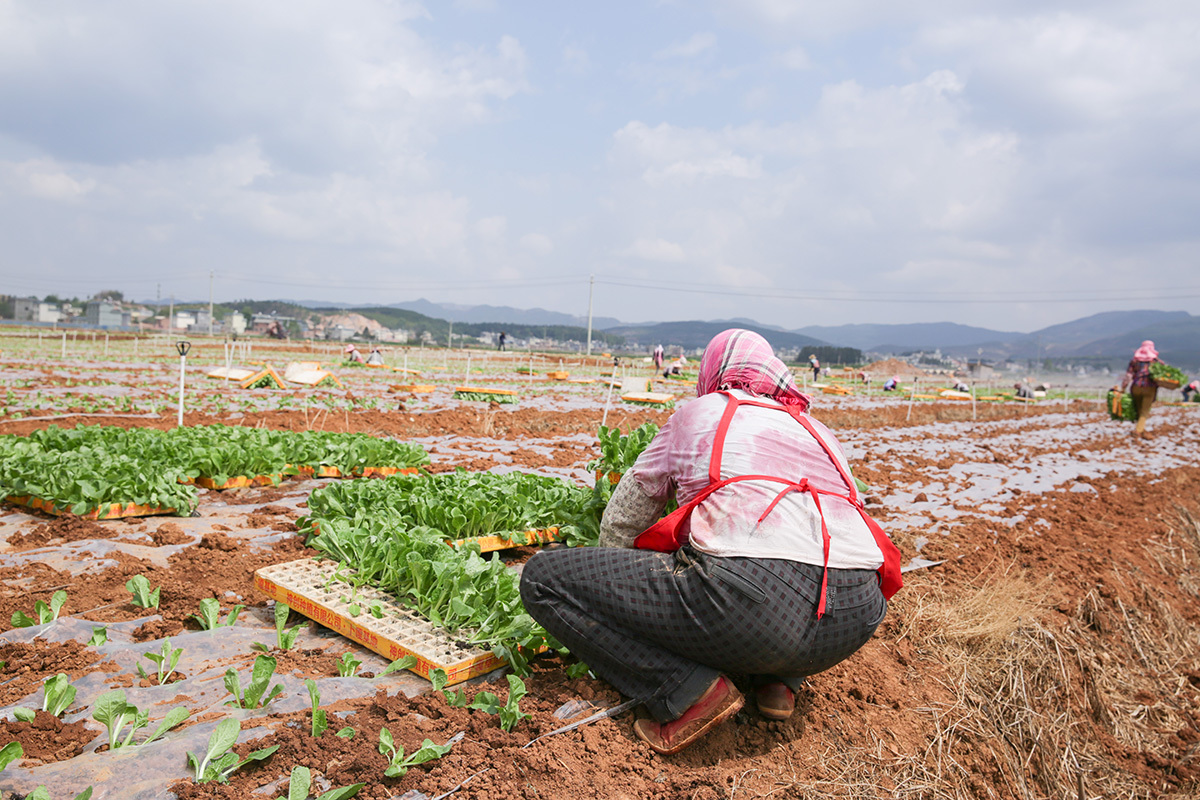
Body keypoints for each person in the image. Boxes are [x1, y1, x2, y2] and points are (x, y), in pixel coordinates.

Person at [520, 329, 902, 755]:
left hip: (754, 605)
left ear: (713, 372)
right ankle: (780, 682)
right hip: (855, 616)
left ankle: (685, 691)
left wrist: (617, 605)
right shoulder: (818, 432)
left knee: (541, 578)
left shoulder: (701, 414)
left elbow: (625, 516)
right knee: (791, 589)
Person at [1119, 340, 1164, 439]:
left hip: (1136, 387)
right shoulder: (1155, 361)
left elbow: (1128, 375)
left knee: (1139, 408)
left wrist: (1123, 387)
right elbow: (1163, 373)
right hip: (1149, 388)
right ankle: (1138, 431)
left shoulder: (1134, 361)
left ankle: (1141, 429)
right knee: (1144, 411)